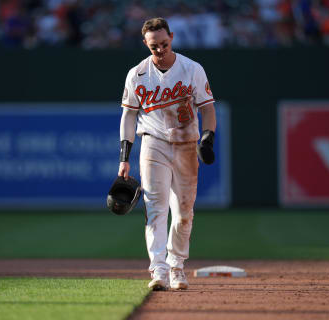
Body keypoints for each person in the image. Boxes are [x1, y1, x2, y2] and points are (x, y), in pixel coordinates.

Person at [117, 17, 217, 291]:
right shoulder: (137, 74)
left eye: (164, 43)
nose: (160, 50)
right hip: (153, 143)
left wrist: (208, 137)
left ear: (171, 37)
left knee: (184, 212)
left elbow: (207, 108)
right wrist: (124, 157)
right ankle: (159, 269)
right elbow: (128, 116)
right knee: (155, 208)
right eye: (154, 46)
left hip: (186, 145)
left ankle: (177, 266)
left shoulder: (191, 68)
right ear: (145, 44)